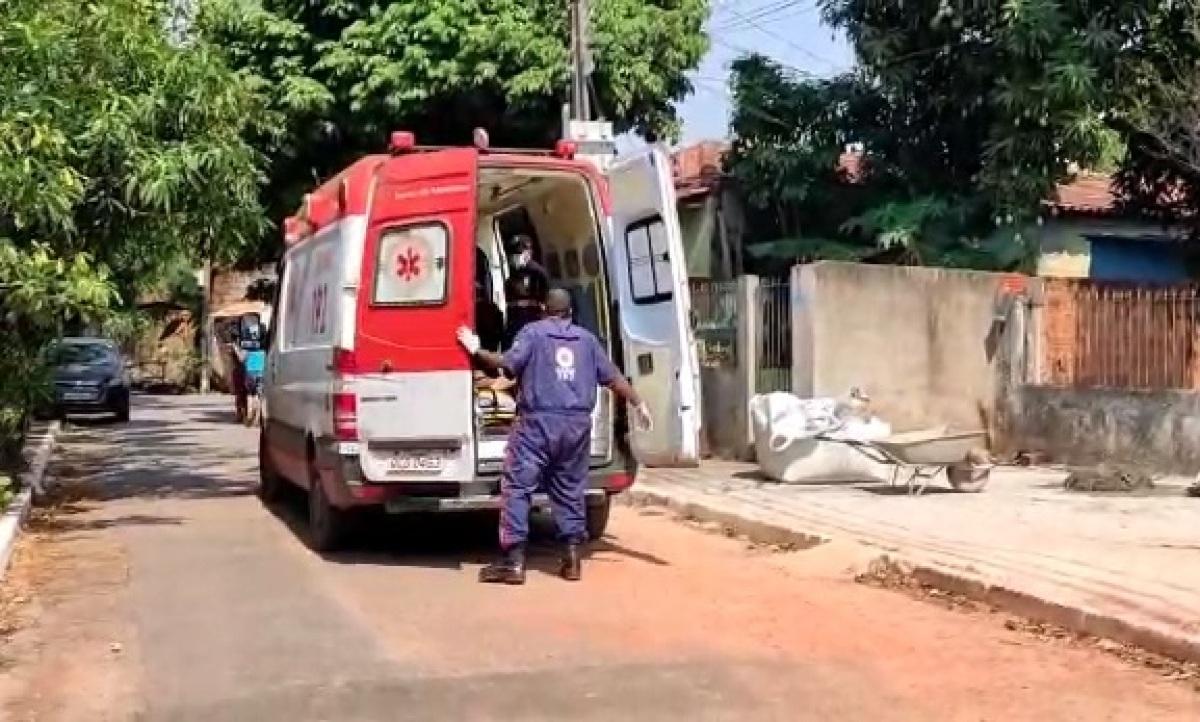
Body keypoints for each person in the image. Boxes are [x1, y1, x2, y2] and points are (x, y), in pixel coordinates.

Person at [457, 288, 654, 584]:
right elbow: (613, 377)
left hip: (537, 425)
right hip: (576, 427)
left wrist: (474, 348)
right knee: (570, 489)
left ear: (542, 309)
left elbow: (504, 364)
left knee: (517, 487)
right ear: (571, 313)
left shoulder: (533, 334)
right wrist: (639, 403)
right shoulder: (587, 341)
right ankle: (572, 561)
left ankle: (513, 563)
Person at [503, 234, 549, 348]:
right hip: (514, 320)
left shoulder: (537, 273)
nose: (514, 257)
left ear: (528, 253)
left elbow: (544, 297)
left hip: (530, 318)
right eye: (513, 254)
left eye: (518, 253)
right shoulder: (514, 273)